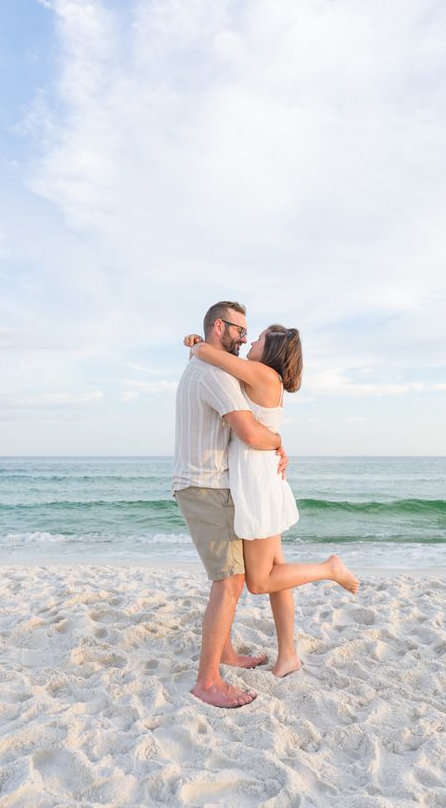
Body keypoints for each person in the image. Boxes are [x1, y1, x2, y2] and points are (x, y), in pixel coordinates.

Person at [182, 319, 360, 680]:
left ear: (273, 351)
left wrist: (199, 346)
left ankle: (330, 569)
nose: (252, 340)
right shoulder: (264, 378)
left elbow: (212, 357)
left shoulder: (263, 375)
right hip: (258, 475)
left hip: (258, 483)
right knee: (278, 570)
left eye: (260, 338)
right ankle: (289, 655)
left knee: (260, 582)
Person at [173, 301, 287, 708]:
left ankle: (225, 653)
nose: (244, 337)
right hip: (207, 485)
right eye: (240, 330)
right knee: (228, 582)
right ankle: (208, 681)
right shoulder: (215, 373)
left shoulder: (208, 364)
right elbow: (251, 434)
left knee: (233, 580)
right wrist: (278, 442)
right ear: (219, 327)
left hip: (205, 483)